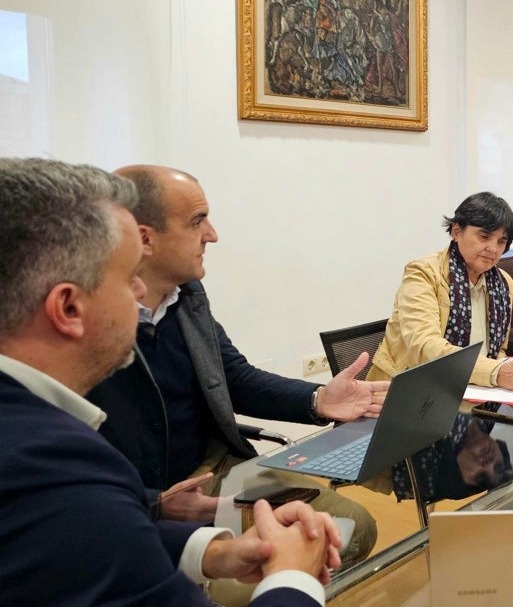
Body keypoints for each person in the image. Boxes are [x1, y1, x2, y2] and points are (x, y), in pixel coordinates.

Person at [0, 157, 339, 606]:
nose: (138, 293)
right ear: (67, 310)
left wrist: (212, 551)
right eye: (125, 280)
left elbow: (100, 540)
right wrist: (293, 578)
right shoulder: (59, 466)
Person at [86, 165, 382, 561]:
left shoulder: (187, 294)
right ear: (145, 239)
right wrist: (154, 502)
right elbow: (57, 453)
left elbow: (234, 378)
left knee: (351, 528)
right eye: (197, 221)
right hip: (130, 499)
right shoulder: (84, 322)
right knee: (273, 563)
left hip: (213, 468)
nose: (213, 234)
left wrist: (318, 399)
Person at [368, 192, 513, 390]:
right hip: (409, 391)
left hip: (477, 389)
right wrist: (494, 372)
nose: (493, 249)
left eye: (501, 242)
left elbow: (498, 351)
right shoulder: (423, 274)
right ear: (456, 231)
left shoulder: (504, 283)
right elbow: (424, 346)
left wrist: (509, 372)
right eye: (484, 236)